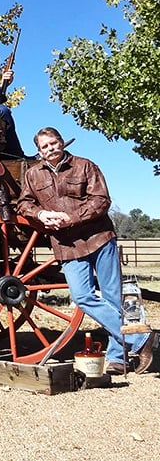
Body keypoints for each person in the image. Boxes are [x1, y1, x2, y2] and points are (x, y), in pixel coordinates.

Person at [17, 127, 156, 375]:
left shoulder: (84, 166)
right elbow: (23, 204)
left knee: (113, 299)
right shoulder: (33, 174)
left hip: (99, 238)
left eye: (54, 143)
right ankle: (140, 338)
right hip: (67, 244)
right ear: (39, 151)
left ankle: (117, 358)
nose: (51, 148)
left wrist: (69, 218)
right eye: (45, 146)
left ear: (62, 143)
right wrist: (41, 214)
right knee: (82, 296)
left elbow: (101, 200)